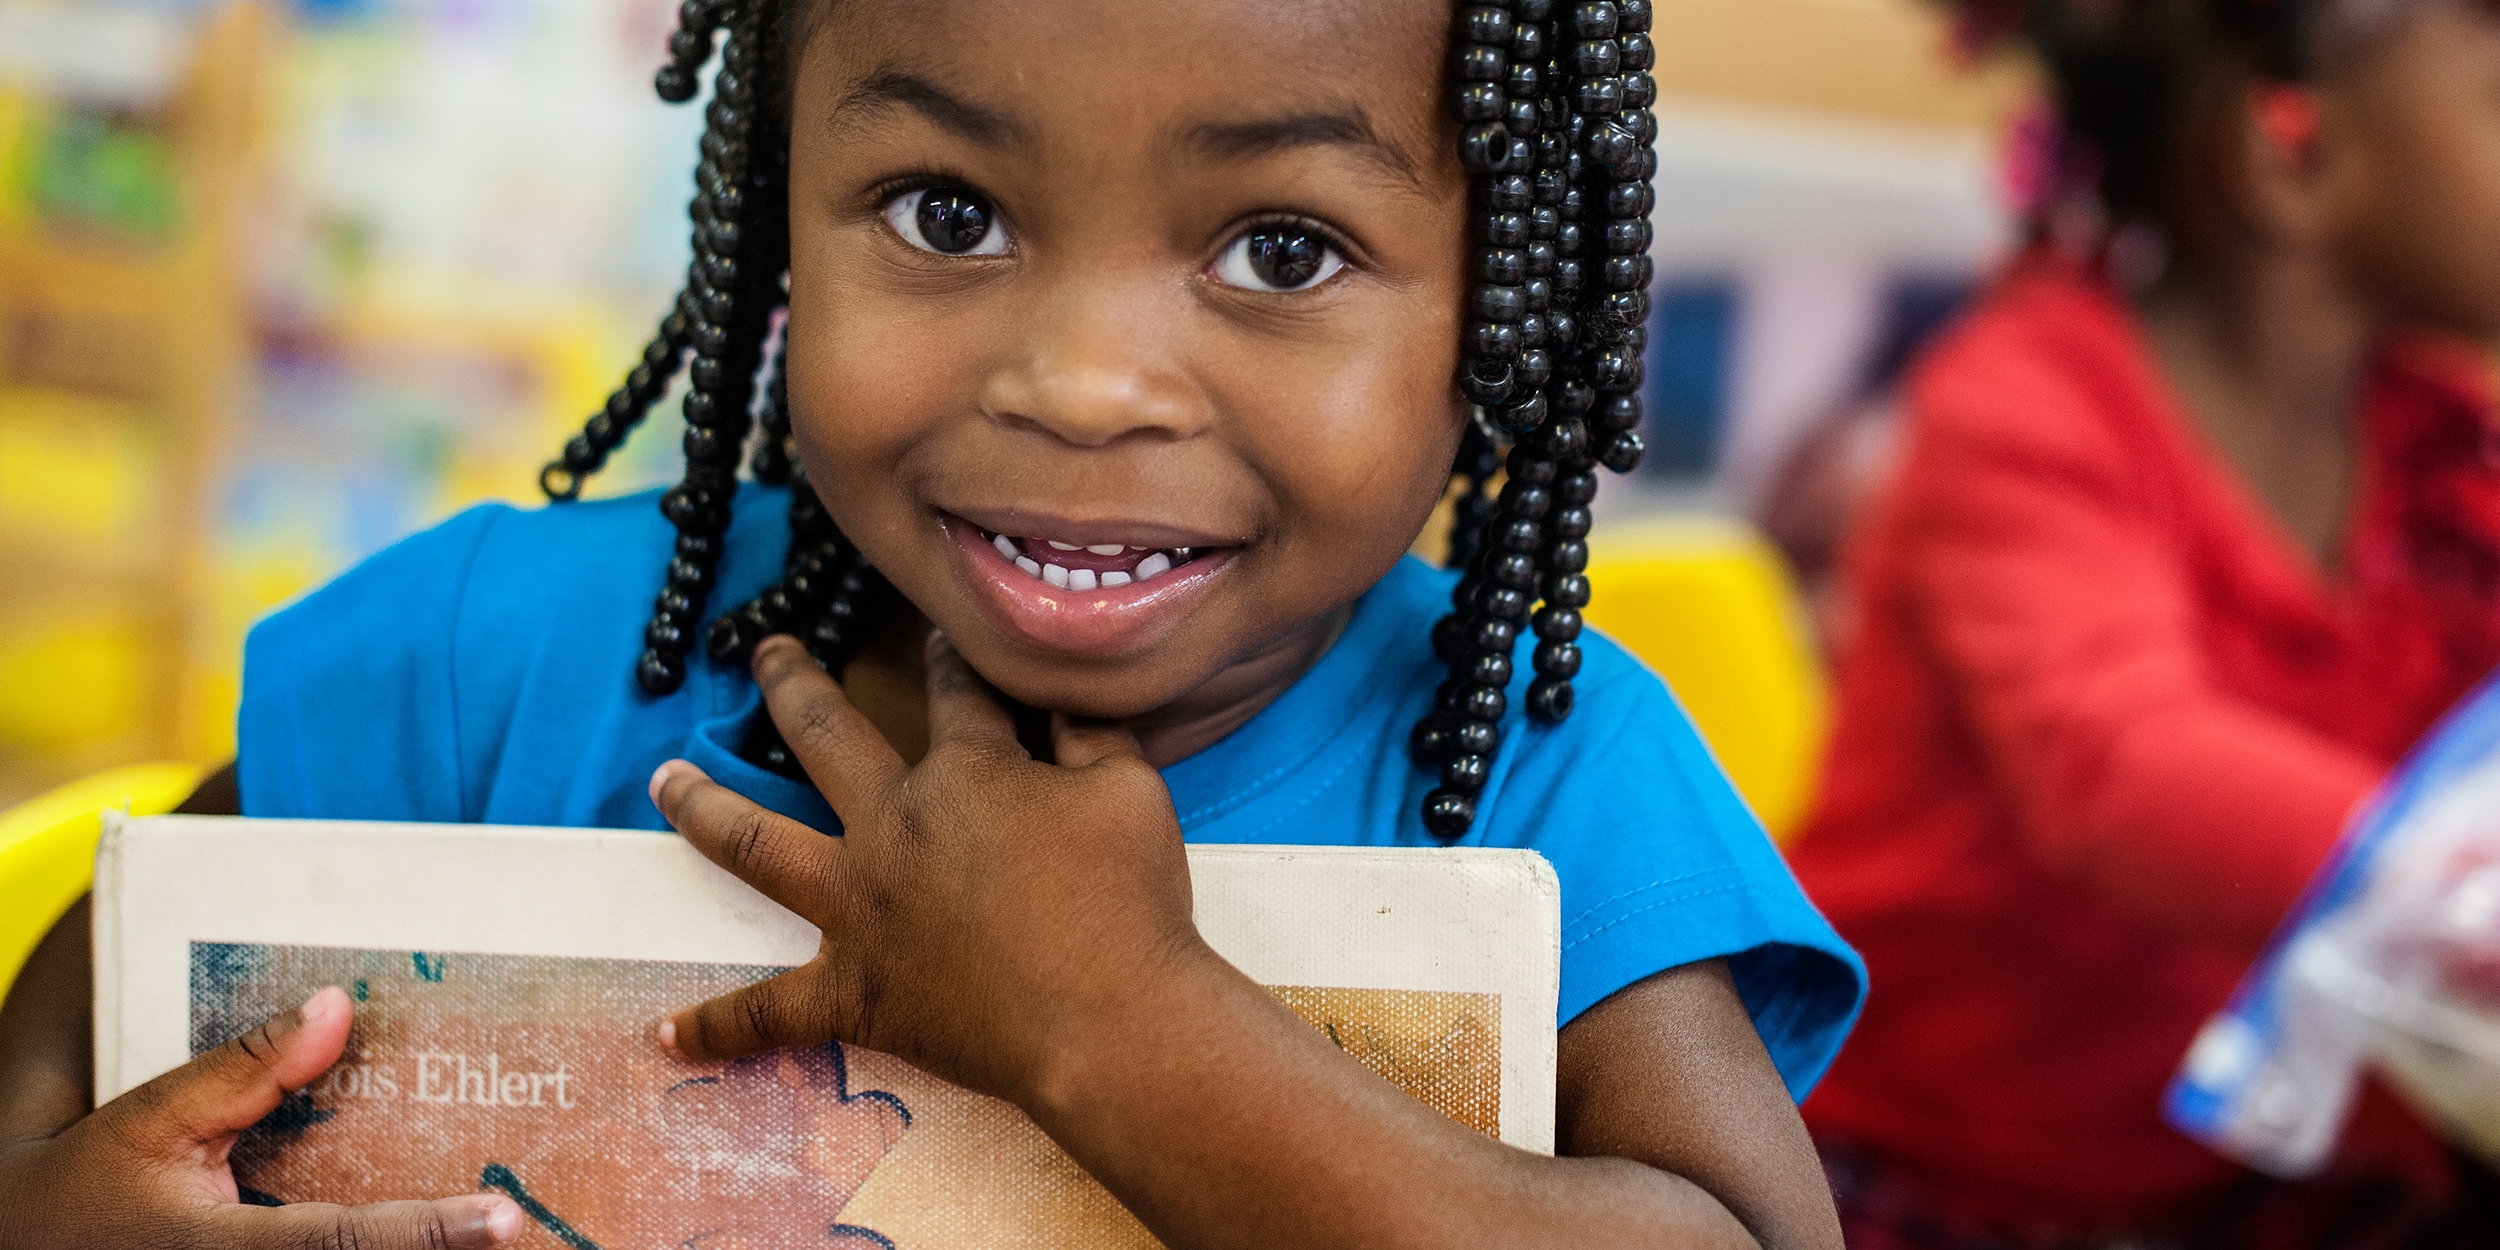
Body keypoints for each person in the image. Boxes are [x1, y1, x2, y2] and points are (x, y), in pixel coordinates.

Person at [0, 1, 1865, 1247]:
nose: (1083, 382)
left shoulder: (1546, 772)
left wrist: (1119, 1029)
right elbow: (87, 1029)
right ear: (772, 218)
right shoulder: (507, 661)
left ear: (1499, 307)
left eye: (1279, 252)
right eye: (946, 211)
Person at [1788, 0, 2500, 1243]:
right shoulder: (2025, 404)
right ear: (2293, 151)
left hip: (2252, 1165)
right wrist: (2447, 882)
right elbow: (2121, 762)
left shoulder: (2444, 441)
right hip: (1932, 1175)